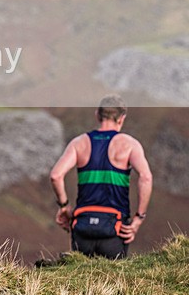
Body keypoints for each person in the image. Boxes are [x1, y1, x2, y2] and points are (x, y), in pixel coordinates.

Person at [49, 94, 153, 259]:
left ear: (97, 114)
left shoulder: (79, 143)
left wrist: (64, 206)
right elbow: (146, 178)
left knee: (79, 279)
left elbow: (56, 175)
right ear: (121, 119)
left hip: (83, 226)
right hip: (114, 228)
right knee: (112, 282)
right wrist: (139, 218)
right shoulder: (129, 144)